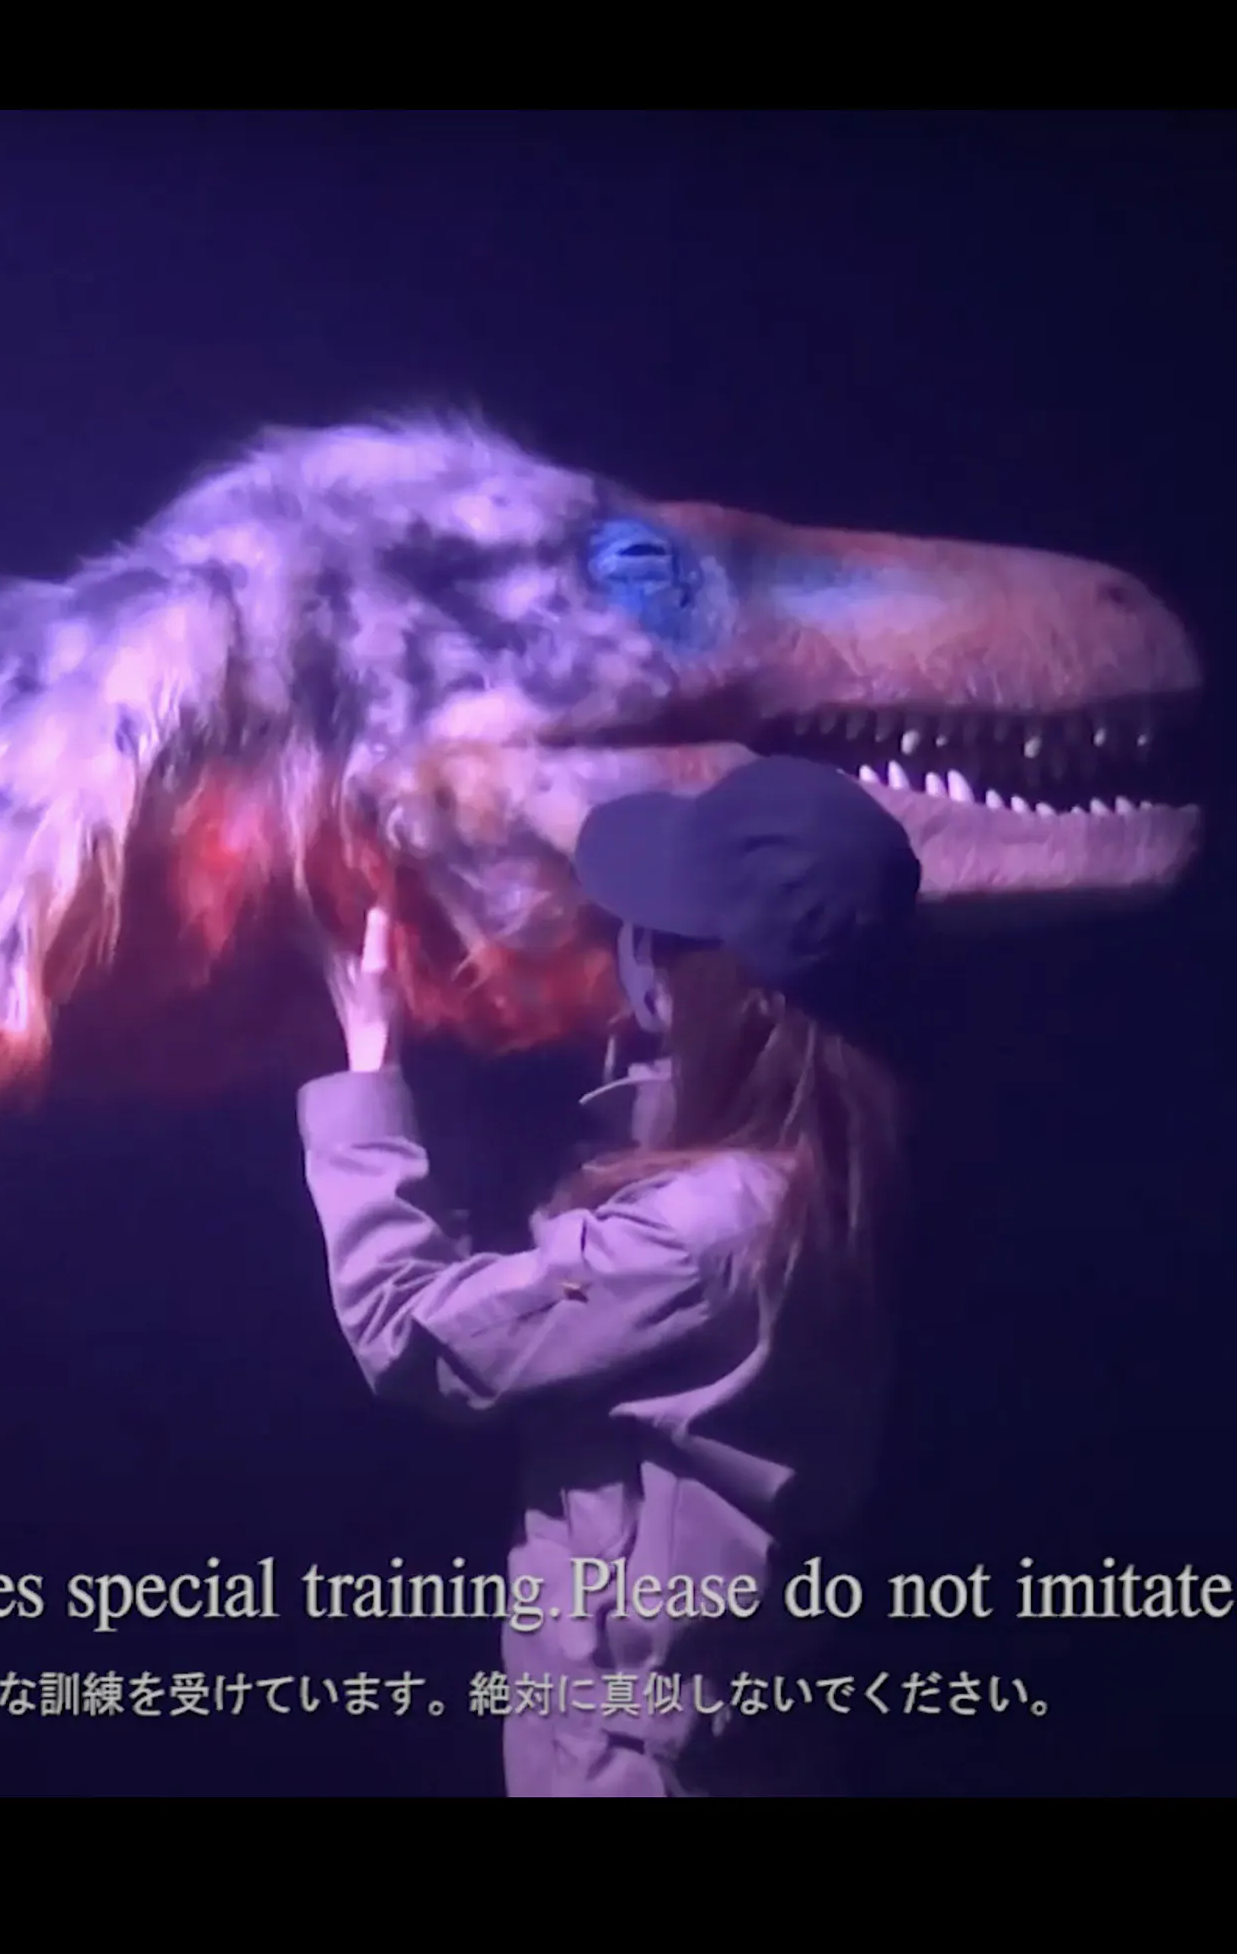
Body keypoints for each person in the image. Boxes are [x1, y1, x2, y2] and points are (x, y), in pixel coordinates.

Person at [294, 755, 922, 1796]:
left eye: (667, 942)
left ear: (726, 996)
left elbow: (409, 1331)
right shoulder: (843, 1162)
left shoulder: (696, 1239)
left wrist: (369, 1073)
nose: (640, 956)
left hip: (627, 1767)